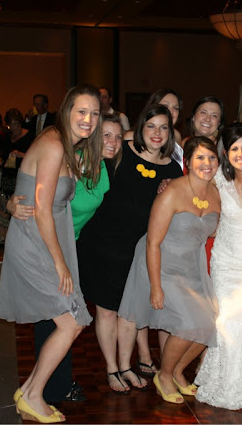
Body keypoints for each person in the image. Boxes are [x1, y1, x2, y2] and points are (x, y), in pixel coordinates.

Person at [7, 102, 123, 406]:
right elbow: (37, 186)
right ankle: (42, 391)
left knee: (64, 322)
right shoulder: (72, 156)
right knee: (64, 322)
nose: (112, 141)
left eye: (118, 136)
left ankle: (38, 389)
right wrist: (12, 202)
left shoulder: (107, 165)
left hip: (72, 246)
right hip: (46, 246)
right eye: (106, 134)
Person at [0, 86, 96, 423]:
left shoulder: (67, 146)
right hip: (36, 244)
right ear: (67, 111)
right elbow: (41, 209)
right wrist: (60, 263)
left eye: (94, 113)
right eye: (82, 111)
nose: (88, 119)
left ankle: (28, 391)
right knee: (71, 323)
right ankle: (33, 395)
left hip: (45, 239)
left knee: (71, 323)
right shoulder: (54, 145)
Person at [78, 104, 182, 394]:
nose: (157, 133)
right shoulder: (120, 152)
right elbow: (81, 165)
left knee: (130, 313)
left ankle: (126, 366)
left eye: (164, 127)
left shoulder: (173, 169)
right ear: (139, 129)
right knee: (106, 311)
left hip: (138, 252)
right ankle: (112, 368)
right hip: (102, 246)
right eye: (151, 126)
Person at [118, 136, 220, 404]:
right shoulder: (172, 191)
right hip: (162, 265)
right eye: (200, 157)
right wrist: (155, 287)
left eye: (212, 157)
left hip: (192, 267)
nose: (207, 163)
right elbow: (152, 242)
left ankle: (175, 371)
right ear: (188, 162)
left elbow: (213, 230)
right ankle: (163, 376)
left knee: (209, 325)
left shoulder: (216, 193)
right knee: (188, 325)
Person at [194, 122, 242, 410]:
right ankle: (224, 382)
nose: (241, 154)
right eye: (234, 149)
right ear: (225, 153)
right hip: (226, 263)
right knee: (226, 322)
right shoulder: (217, 179)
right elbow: (191, 187)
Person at [125, 88, 183, 167]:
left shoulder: (176, 136)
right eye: (165, 106)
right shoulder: (131, 137)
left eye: (175, 108)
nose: (171, 112)